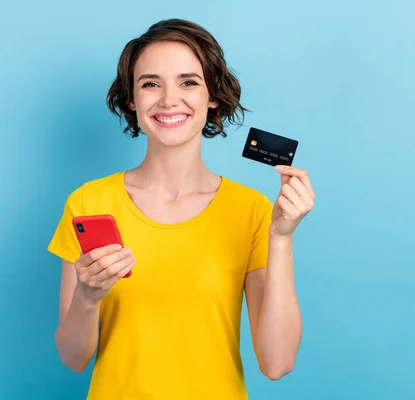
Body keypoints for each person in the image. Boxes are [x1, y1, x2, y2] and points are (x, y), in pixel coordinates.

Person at [48, 18, 315, 400]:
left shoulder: (253, 210)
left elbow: (277, 363)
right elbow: (73, 358)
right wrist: (88, 298)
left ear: (213, 96)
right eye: (150, 84)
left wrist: (282, 238)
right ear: (131, 99)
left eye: (188, 82)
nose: (169, 99)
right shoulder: (88, 203)